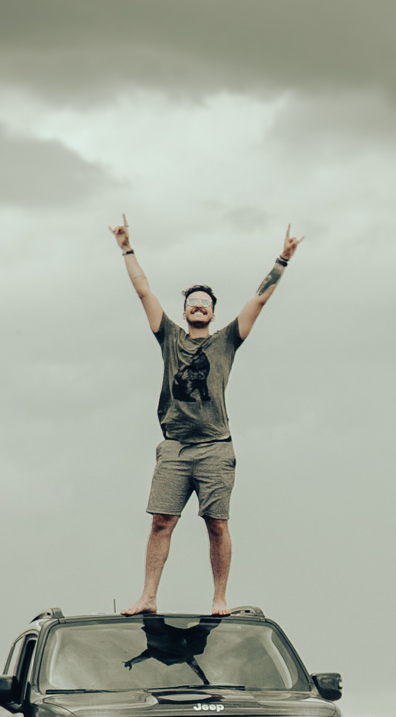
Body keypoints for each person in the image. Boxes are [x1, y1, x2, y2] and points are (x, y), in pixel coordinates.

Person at [111, 216, 303, 616]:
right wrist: (126, 247)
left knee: (216, 524)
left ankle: (219, 599)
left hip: (215, 448)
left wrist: (282, 260)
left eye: (205, 303)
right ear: (184, 311)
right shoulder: (169, 337)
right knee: (161, 522)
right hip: (175, 448)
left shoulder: (226, 341)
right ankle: (148, 597)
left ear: (213, 313)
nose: (199, 305)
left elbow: (259, 301)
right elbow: (143, 290)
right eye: (192, 302)